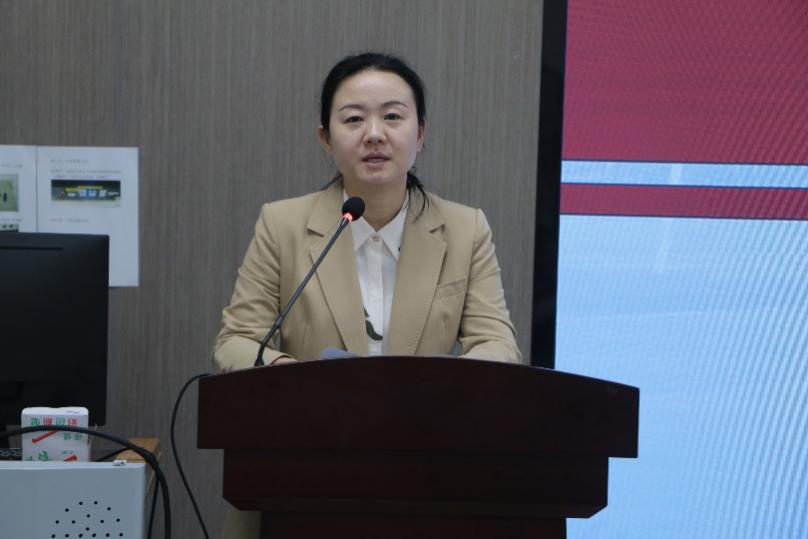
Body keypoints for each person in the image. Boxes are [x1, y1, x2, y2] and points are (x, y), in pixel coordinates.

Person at [213, 52, 522, 537]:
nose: (374, 134)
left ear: (420, 134)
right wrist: (295, 379)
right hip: (302, 476)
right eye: (354, 119)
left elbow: (498, 345)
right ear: (325, 138)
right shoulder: (283, 224)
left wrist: (439, 388)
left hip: (428, 477)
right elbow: (235, 342)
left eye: (393, 117)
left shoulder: (466, 229)